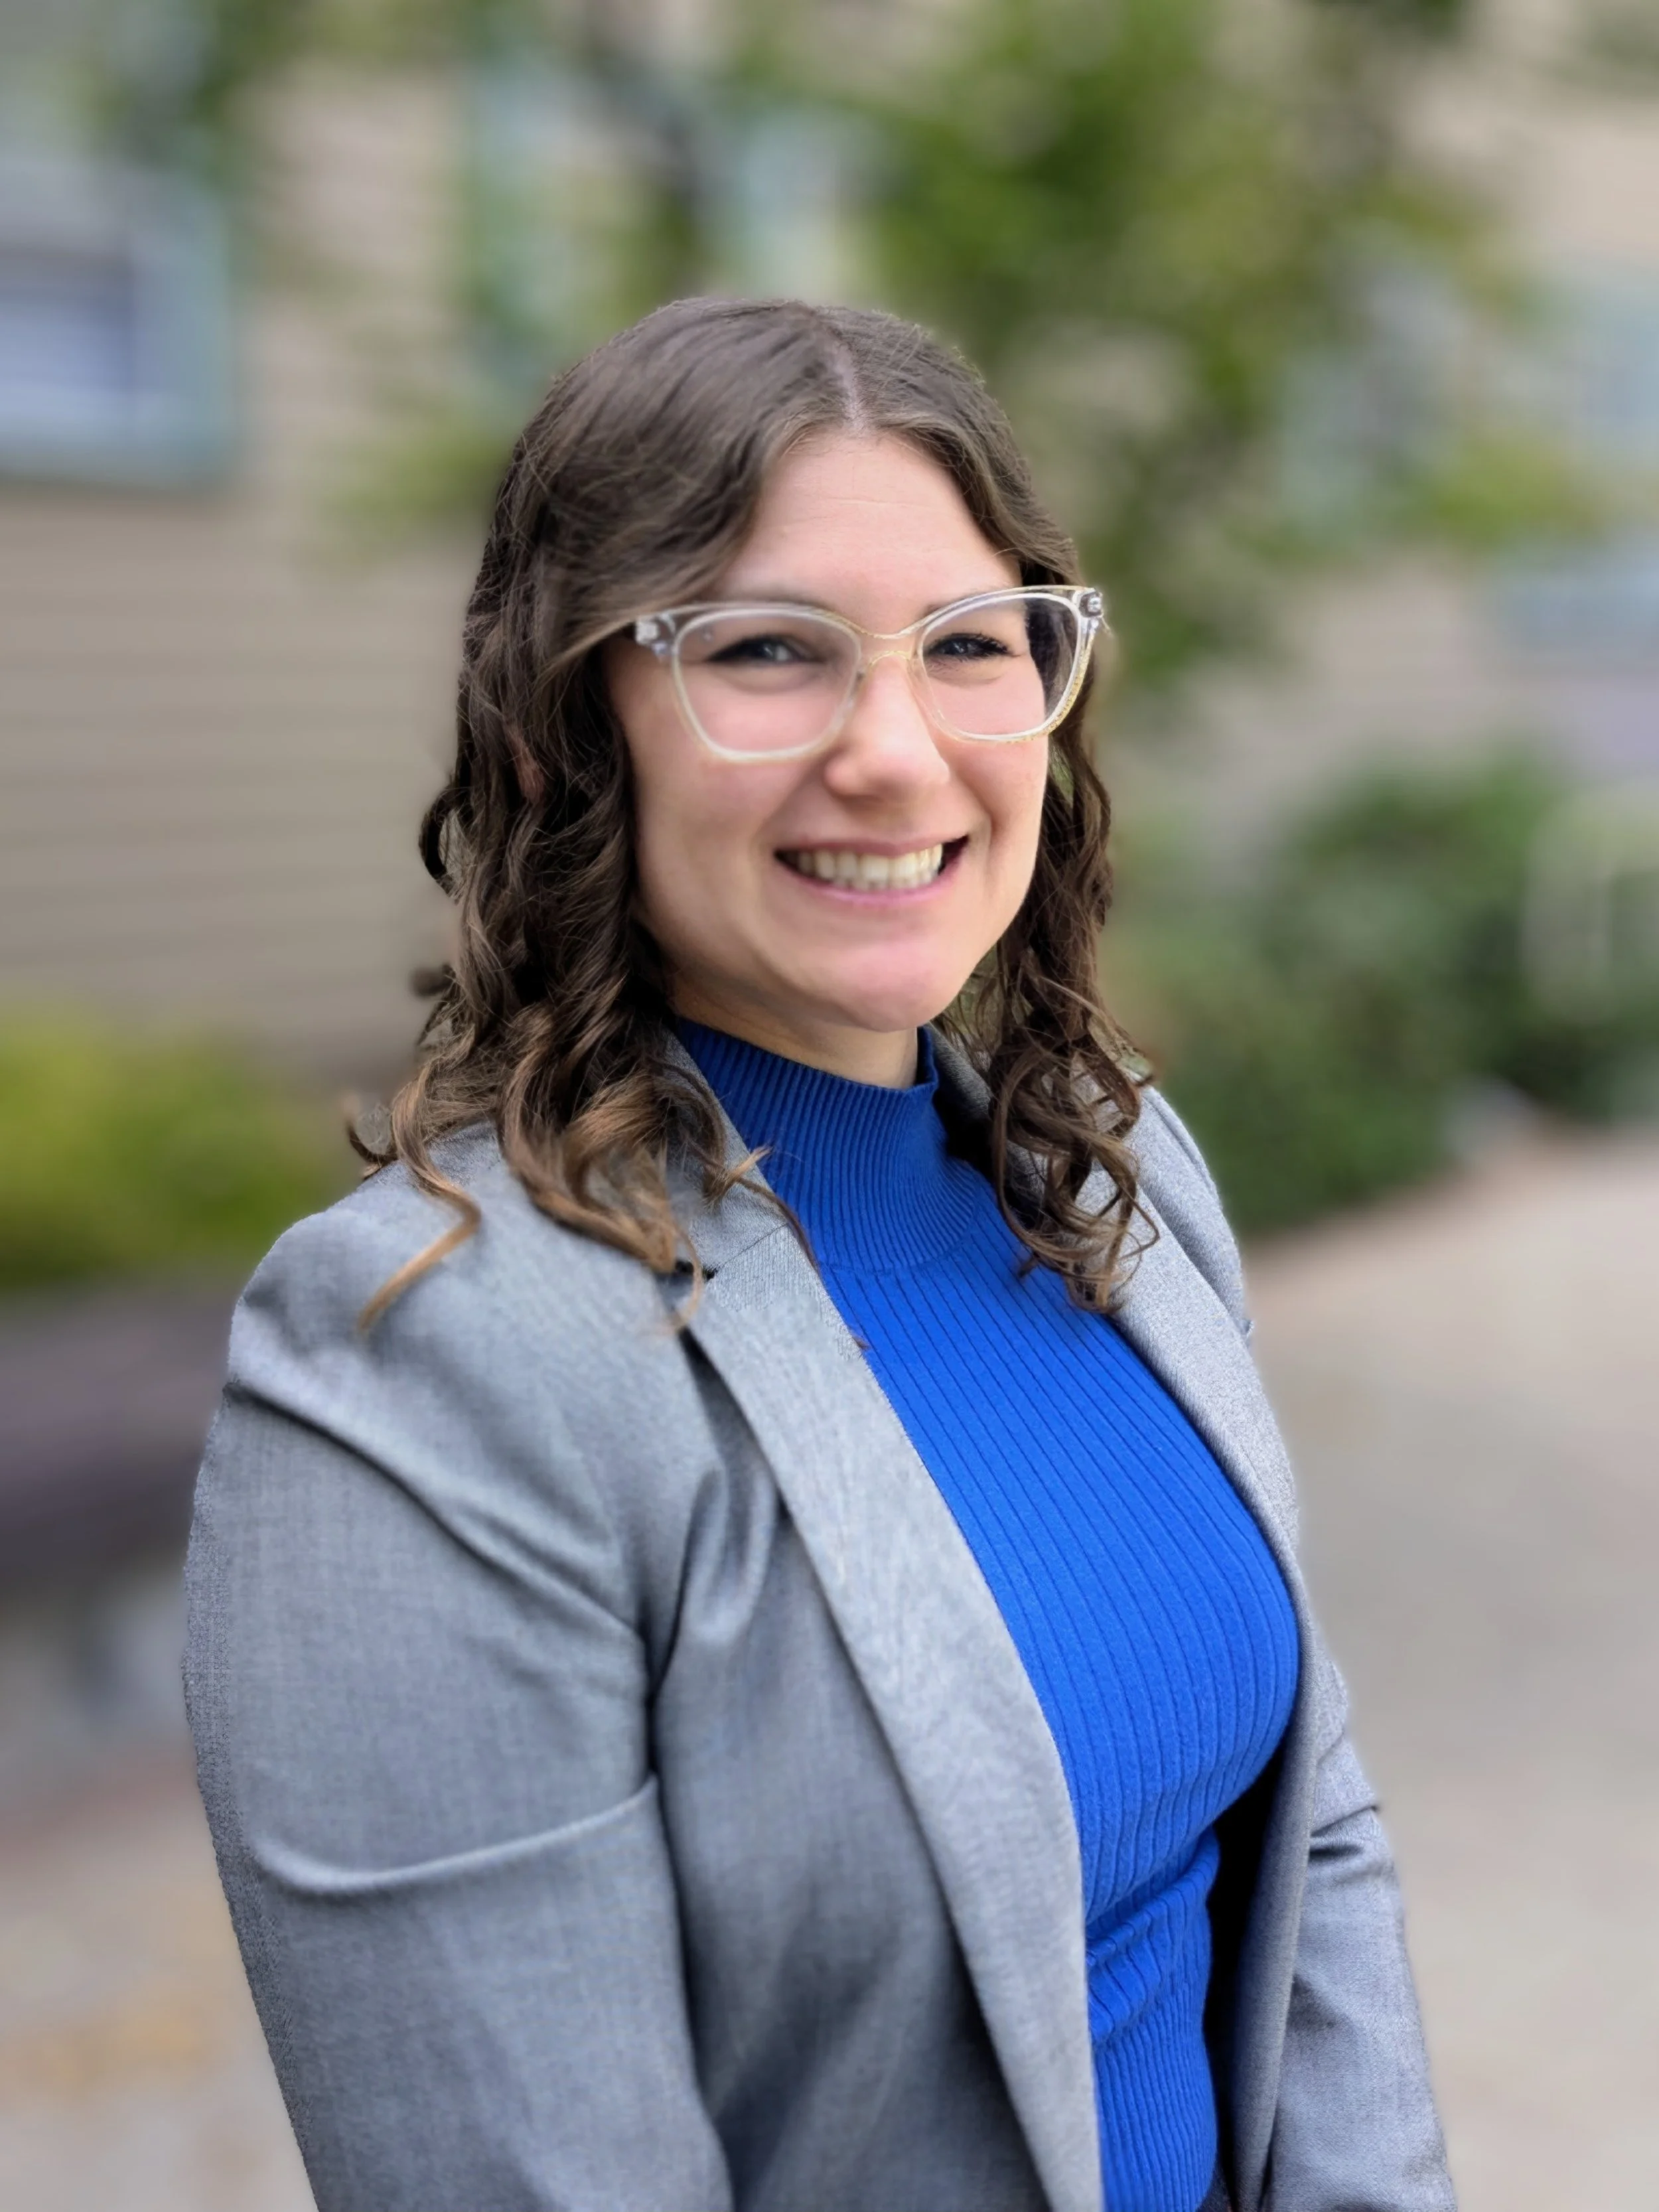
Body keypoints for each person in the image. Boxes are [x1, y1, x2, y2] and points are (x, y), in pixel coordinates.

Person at [185, 297, 1455, 2212]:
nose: (893, 752)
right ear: (560, 734)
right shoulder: (419, 1364)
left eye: (967, 646)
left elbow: (1307, 1830)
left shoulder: (1106, 1166)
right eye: (768, 652)